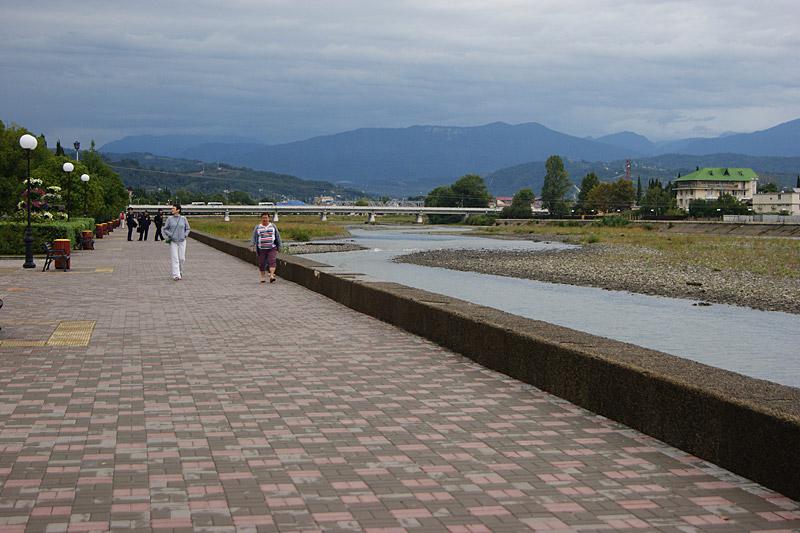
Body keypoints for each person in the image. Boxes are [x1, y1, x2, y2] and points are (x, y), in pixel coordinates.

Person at [249, 212, 281, 283]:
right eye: (263, 218)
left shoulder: (273, 226)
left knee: (272, 261)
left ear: (268, 218)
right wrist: (252, 245)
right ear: (261, 218)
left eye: (266, 218)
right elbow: (254, 237)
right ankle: (262, 277)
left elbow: (277, 236)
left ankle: (272, 276)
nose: (265, 219)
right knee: (262, 263)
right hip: (261, 248)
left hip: (272, 247)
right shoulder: (258, 227)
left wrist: (279, 246)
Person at [163, 204, 191, 281]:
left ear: (178, 210)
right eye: (172, 208)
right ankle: (176, 275)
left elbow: (188, 228)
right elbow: (165, 229)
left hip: (182, 241)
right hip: (173, 241)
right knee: (175, 258)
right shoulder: (169, 219)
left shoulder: (183, 219)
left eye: (173, 208)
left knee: (182, 258)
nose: (172, 210)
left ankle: (180, 271)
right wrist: (170, 235)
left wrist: (185, 235)